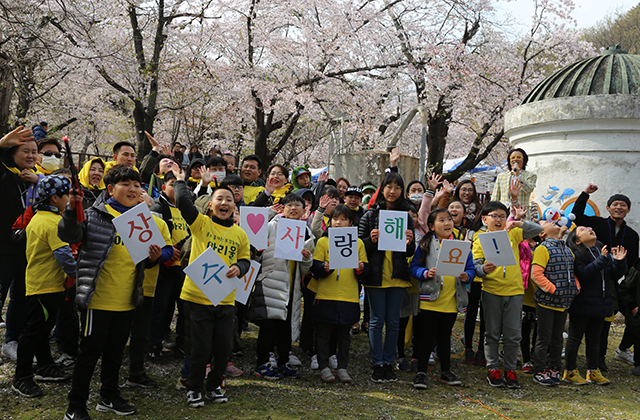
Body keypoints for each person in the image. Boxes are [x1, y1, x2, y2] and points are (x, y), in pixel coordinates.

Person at [59, 164, 164, 419]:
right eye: (125, 184)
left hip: (127, 301)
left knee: (115, 353)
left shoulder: (141, 220)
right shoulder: (94, 215)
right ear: (110, 189)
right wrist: (72, 208)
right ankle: (75, 407)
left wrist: (153, 258)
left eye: (136, 185)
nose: (132, 189)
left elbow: (144, 260)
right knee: (89, 354)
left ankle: (109, 397)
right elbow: (69, 234)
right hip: (97, 300)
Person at [172, 167, 251, 408]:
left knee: (223, 348)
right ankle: (194, 388)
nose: (224, 203)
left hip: (226, 300)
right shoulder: (201, 224)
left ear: (235, 207)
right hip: (197, 298)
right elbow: (183, 202)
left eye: (229, 199)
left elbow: (246, 260)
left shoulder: (240, 234)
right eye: (219, 199)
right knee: (200, 348)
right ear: (210, 205)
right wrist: (181, 181)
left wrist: (239, 268)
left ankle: (215, 385)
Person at [12, 175, 76, 398]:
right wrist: (78, 274)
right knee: (33, 331)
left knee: (42, 329)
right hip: (46, 286)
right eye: (66, 195)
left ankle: (45, 365)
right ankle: (21, 377)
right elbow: (63, 255)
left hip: (42, 284)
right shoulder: (52, 222)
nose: (69, 199)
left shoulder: (39, 218)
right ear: (55, 198)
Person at [472, 201, 542, 389]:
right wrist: (483, 269)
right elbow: (476, 267)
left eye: (502, 216)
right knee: (492, 333)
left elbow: (538, 230)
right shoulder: (479, 239)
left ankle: (510, 369)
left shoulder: (513, 233)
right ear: (485, 219)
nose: (499, 219)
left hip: (515, 292)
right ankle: (493, 368)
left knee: (513, 334)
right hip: (491, 291)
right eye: (494, 216)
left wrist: (518, 223)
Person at [249, 194, 315, 380]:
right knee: (268, 326)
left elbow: (305, 268)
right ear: (283, 209)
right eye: (289, 205)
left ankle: (284, 362)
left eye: (298, 205)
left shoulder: (306, 232)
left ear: (304, 210)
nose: (293, 208)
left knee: (286, 327)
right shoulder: (271, 226)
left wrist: (307, 257)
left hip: (291, 287)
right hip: (271, 282)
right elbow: (253, 236)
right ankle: (262, 364)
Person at [573, 183, 639, 367]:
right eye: (615, 204)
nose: (619, 207)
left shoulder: (632, 235)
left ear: (628, 210)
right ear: (608, 208)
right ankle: (597, 359)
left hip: (619, 282)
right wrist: (585, 194)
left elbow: (633, 263)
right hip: (594, 279)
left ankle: (623, 349)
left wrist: (629, 285)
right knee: (601, 323)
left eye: (623, 205)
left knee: (635, 315)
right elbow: (577, 216)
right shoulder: (597, 224)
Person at [358, 172, 415, 383]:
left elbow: (411, 252)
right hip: (376, 275)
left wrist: (410, 241)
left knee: (393, 321)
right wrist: (371, 240)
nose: (393, 191)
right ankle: (377, 363)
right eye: (389, 187)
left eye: (397, 187)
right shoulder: (370, 215)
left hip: (398, 275)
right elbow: (359, 245)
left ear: (402, 191)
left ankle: (388, 362)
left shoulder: (406, 217)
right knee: (375, 320)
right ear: (382, 189)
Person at [410, 208, 475, 388]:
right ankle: (421, 372)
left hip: (452, 300)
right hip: (430, 299)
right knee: (426, 337)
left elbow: (470, 269)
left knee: (445, 336)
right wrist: (425, 273)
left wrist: (467, 276)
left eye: (449, 219)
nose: (447, 223)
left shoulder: (461, 246)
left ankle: (446, 371)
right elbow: (414, 268)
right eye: (441, 220)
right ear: (431, 226)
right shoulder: (425, 245)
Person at [310, 205, 370, 383]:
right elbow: (314, 267)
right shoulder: (323, 241)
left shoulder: (358, 243)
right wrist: (323, 268)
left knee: (345, 335)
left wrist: (361, 268)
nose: (338, 222)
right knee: (323, 333)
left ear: (351, 223)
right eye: (335, 219)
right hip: (326, 295)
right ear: (330, 222)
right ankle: (324, 366)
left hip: (349, 296)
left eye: (343, 219)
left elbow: (366, 269)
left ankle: (342, 367)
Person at [564, 226, 626, 385]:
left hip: (601, 303)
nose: (590, 229)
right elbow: (583, 274)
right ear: (577, 240)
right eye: (584, 229)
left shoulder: (600, 251)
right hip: (582, 304)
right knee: (575, 338)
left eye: (589, 228)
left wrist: (619, 262)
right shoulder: (578, 254)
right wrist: (602, 260)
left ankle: (593, 370)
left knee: (594, 339)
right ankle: (570, 371)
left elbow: (613, 275)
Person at [0, 126, 40, 361]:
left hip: (28, 249)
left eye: (35, 151)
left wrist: (40, 180)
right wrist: (2, 144)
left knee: (22, 298)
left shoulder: (35, 179)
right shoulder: (5, 174)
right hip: (3, 249)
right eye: (26, 151)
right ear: (12, 153)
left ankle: (12, 341)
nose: (31, 156)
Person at [147, 170, 191, 362]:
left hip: (184, 267)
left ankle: (181, 345)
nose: (177, 188)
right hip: (164, 266)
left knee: (184, 309)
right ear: (164, 187)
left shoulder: (186, 208)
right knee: (160, 309)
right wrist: (167, 250)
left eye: (181, 185)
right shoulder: (158, 206)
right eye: (172, 184)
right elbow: (152, 232)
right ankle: (153, 346)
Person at [530, 220, 579, 387]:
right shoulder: (543, 248)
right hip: (546, 302)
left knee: (558, 338)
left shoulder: (567, 249)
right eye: (546, 222)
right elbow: (536, 274)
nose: (552, 221)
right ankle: (539, 369)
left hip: (564, 302)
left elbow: (572, 272)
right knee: (544, 338)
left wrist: (575, 287)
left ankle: (555, 367)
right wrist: (553, 289)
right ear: (542, 233)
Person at [491, 148, 537, 212]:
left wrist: (518, 175)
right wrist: (492, 210)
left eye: (519, 157)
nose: (515, 159)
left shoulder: (531, 175)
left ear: (524, 160)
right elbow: (495, 197)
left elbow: (529, 190)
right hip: (504, 211)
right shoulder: (501, 176)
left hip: (522, 211)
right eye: (513, 157)